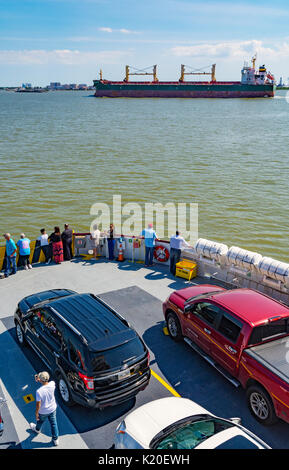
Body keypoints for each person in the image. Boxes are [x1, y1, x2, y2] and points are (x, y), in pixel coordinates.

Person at [30, 371, 59, 446]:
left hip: (43, 411)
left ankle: (37, 429)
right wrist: (39, 379)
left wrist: (36, 413)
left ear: (40, 380)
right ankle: (55, 440)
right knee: (53, 423)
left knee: (40, 421)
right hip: (52, 408)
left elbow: (38, 404)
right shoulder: (52, 384)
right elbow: (46, 381)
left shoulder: (39, 391)